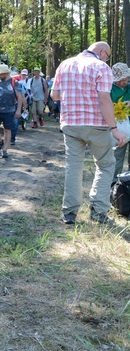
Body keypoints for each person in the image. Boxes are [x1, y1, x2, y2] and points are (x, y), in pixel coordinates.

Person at [51, 41, 127, 225]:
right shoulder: (101, 67)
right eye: (107, 56)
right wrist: (114, 129)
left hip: (71, 124)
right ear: (102, 52)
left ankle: (69, 213)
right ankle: (98, 211)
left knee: (73, 167)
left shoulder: (65, 64)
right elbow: (104, 99)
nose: (106, 59)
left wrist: (74, 92)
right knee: (106, 165)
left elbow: (55, 95)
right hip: (96, 125)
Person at [0, 64, 24, 159]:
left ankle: (5, 150)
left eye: (1, 74)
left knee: (7, 129)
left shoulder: (14, 82)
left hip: (10, 110)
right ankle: (0, 141)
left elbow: (19, 97)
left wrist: (18, 110)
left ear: (6, 73)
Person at [110, 63, 130, 180]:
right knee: (117, 157)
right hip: (118, 128)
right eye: (120, 80)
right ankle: (114, 184)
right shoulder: (109, 88)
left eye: (125, 79)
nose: (122, 82)